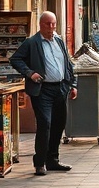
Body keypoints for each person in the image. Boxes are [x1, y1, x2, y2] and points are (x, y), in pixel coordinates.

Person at [10, 11, 77, 176]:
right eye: (48, 24)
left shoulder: (59, 41)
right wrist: (30, 73)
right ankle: (40, 163)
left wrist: (73, 84)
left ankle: (53, 160)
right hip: (42, 90)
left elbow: (68, 64)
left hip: (61, 88)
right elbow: (15, 59)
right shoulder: (32, 42)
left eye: (54, 24)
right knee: (45, 123)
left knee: (59, 123)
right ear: (41, 24)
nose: (51, 27)